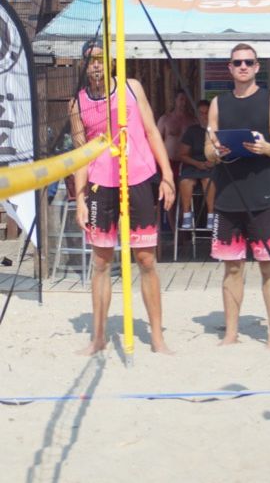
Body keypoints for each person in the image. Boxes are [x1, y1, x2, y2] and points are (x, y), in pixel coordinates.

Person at [69, 38, 175, 355]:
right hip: (101, 185)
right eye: (90, 60)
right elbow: (80, 156)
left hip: (138, 177)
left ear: (111, 61)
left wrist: (167, 175)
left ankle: (157, 338)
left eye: (100, 58)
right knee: (101, 263)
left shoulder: (131, 87)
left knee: (146, 260)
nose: (96, 64)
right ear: (84, 65)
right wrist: (80, 199)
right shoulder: (77, 103)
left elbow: (152, 131)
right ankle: (98, 338)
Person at [204, 44, 270, 349]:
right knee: (232, 267)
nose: (243, 66)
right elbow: (207, 150)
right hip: (228, 194)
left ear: (257, 67)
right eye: (237, 62)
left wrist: (267, 148)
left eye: (248, 62)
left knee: (268, 265)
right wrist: (216, 152)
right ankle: (231, 333)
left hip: (263, 194)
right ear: (229, 68)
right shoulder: (218, 104)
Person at [157, 89, 197, 229]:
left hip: (187, 162)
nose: (183, 103)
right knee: (168, 194)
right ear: (175, 100)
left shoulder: (193, 121)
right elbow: (156, 141)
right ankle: (171, 230)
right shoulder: (165, 119)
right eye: (181, 99)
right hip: (169, 162)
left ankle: (183, 231)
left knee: (184, 195)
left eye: (185, 100)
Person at [178, 99, 215, 229]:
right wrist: (197, 163)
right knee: (185, 181)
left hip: (211, 165)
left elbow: (224, 151)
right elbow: (182, 154)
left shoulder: (216, 130)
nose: (204, 116)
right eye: (201, 113)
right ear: (197, 115)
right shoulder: (192, 131)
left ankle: (211, 216)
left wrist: (214, 161)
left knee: (208, 180)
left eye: (207, 113)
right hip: (193, 164)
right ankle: (187, 215)